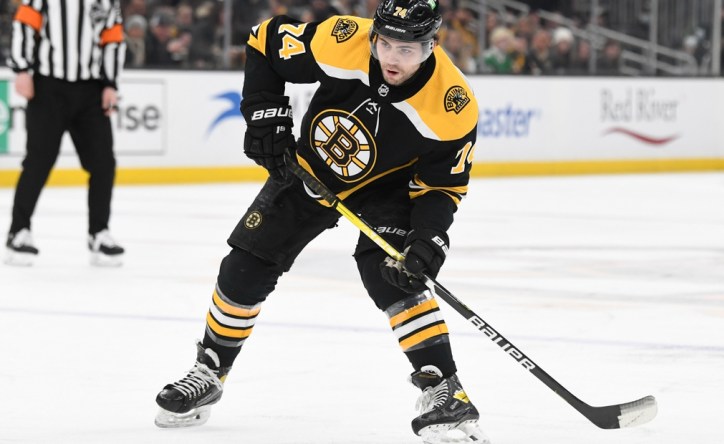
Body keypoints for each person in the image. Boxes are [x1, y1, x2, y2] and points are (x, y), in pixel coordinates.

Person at [154, 0, 488, 442]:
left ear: (432, 44)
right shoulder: (343, 38)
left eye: (407, 50)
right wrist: (264, 113)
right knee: (245, 265)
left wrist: (427, 240)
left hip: (391, 185)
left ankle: (446, 389)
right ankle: (210, 370)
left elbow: (441, 188)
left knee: (391, 274)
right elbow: (263, 40)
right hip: (314, 169)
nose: (391, 57)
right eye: (384, 43)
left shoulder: (453, 105)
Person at [5, 0, 126, 267]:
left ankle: (98, 233)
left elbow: (112, 35)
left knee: (104, 163)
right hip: (48, 86)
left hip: (91, 90)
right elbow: (25, 23)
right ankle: (18, 231)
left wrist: (110, 83)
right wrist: (22, 69)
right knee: (39, 159)